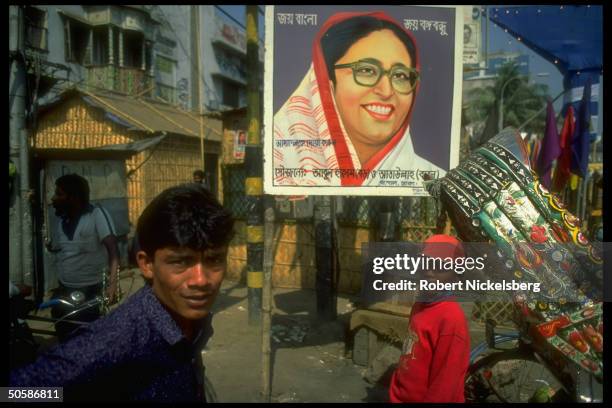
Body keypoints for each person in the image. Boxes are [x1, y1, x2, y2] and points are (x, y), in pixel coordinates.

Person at [10, 183, 235, 402]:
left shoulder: (192, 322)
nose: (201, 280)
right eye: (180, 262)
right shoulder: (117, 339)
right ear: (146, 265)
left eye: (214, 260)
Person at [273, 12, 443, 187]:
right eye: (366, 71)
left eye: (400, 75)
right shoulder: (280, 168)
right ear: (326, 82)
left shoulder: (435, 182)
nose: (386, 91)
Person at [389, 234, 470, 403]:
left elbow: (445, 386)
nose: (430, 272)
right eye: (425, 263)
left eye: (440, 267)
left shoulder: (451, 320)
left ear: (456, 274)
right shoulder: (421, 304)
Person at [47, 174, 119, 340]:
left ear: (73, 197)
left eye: (59, 194)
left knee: (90, 338)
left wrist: (113, 285)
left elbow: (113, 250)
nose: (53, 199)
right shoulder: (62, 221)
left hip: (91, 292)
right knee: (64, 334)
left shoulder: (97, 214)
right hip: (64, 290)